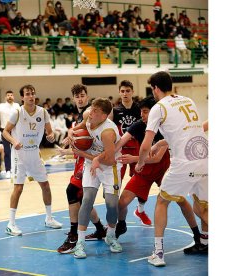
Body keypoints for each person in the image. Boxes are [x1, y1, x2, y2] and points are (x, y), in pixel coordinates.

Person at [136, 71, 208, 266]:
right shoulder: (188, 101)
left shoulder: (158, 108)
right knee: (202, 206)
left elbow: (144, 144)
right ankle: (205, 243)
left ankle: (158, 254)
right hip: (204, 158)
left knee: (161, 201)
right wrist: (161, 144)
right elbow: (185, 132)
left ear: (155, 88)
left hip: (184, 162)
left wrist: (141, 162)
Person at [2, 85, 63, 236]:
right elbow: (5, 131)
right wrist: (14, 141)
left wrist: (51, 136)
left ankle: (49, 218)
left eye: (33, 94)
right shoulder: (17, 112)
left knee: (46, 186)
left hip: (35, 154)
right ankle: (11, 223)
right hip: (19, 155)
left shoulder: (43, 112)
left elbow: (50, 133)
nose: (31, 96)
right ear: (22, 97)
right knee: (19, 188)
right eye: (27, 94)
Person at [56, 84, 108, 254]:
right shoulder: (79, 116)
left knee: (71, 192)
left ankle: (73, 235)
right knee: (81, 198)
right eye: (77, 96)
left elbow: (88, 139)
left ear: (87, 96)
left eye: (82, 95)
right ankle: (100, 229)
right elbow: (80, 141)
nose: (80, 98)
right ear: (73, 98)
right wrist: (66, 150)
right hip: (81, 159)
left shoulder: (88, 112)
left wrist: (72, 132)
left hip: (91, 160)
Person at [69, 98, 123, 259]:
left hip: (109, 167)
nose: (90, 112)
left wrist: (84, 154)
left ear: (105, 115)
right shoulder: (89, 117)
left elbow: (111, 159)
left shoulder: (108, 132)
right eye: (91, 109)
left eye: (95, 111)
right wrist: (71, 133)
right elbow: (75, 129)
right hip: (90, 165)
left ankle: (111, 235)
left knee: (112, 204)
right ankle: (80, 242)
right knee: (86, 200)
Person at [109, 80, 151, 225]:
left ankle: (140, 210)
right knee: (116, 184)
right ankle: (117, 215)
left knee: (141, 182)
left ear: (132, 91)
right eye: (122, 91)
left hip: (137, 150)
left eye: (128, 91)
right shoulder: (114, 111)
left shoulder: (140, 109)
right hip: (120, 151)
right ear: (119, 92)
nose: (125, 93)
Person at [0, 91, 21, 178]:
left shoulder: (17, 105)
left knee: (18, 150)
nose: (10, 97)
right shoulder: (1, 106)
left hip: (15, 130)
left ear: (13, 97)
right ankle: (8, 170)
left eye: (11, 95)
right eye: (8, 95)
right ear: (6, 97)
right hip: (4, 131)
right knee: (7, 151)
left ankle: (18, 169)